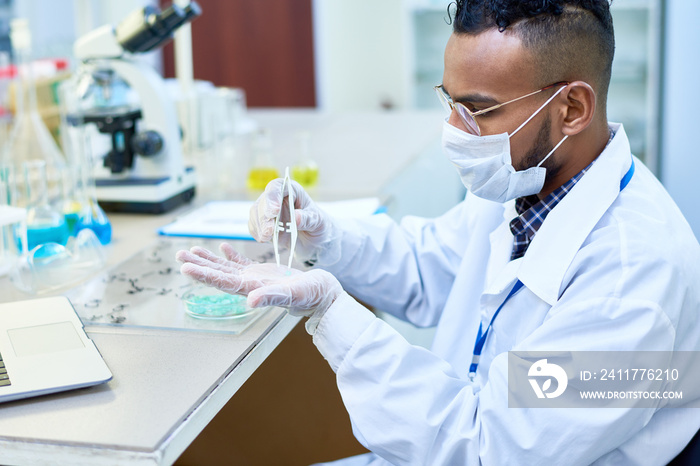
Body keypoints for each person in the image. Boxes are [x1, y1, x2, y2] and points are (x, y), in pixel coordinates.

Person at [176, 0, 700, 464]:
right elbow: (432, 269)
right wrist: (323, 236)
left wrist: (331, 314)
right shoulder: (530, 178)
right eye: (450, 102)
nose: (454, 130)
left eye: (476, 110)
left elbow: (486, 449)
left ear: (572, 109)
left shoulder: (632, 281)